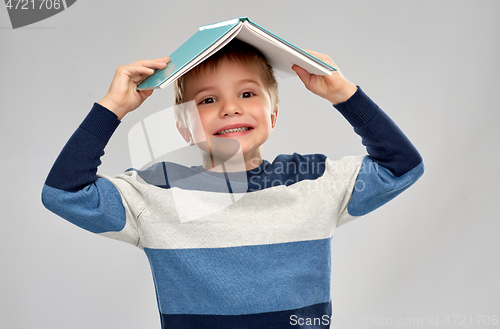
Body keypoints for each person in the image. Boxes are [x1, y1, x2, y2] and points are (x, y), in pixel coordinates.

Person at [42, 39, 424, 328]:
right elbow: (64, 193)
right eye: (208, 100)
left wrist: (344, 95)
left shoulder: (313, 181)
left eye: (246, 93)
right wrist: (113, 108)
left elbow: (401, 167)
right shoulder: (156, 193)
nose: (230, 107)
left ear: (273, 114)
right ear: (183, 127)